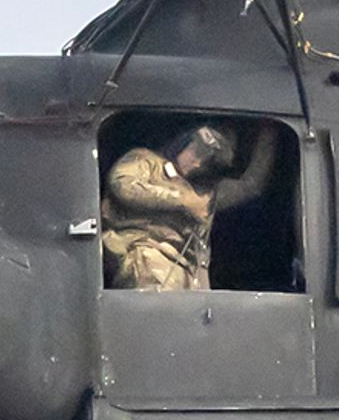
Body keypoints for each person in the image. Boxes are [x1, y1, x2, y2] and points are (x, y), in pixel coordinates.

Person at [103, 120, 284, 291]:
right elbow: (123, 185)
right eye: (195, 152)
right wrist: (180, 200)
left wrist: (268, 132)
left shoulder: (204, 193)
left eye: (207, 162)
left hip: (188, 269)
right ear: (184, 143)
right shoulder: (146, 161)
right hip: (145, 252)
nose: (197, 163)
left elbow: (250, 185)